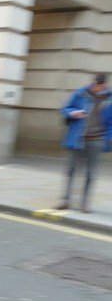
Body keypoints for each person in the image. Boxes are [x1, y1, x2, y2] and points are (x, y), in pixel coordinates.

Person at [57, 72, 112, 213]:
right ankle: (65, 200)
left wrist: (109, 137)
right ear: (93, 82)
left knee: (90, 173)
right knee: (71, 170)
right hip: (78, 139)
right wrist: (73, 113)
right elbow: (65, 109)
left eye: (100, 86)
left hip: (97, 140)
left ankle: (85, 203)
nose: (97, 89)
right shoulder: (80, 93)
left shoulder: (109, 98)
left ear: (105, 84)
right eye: (95, 85)